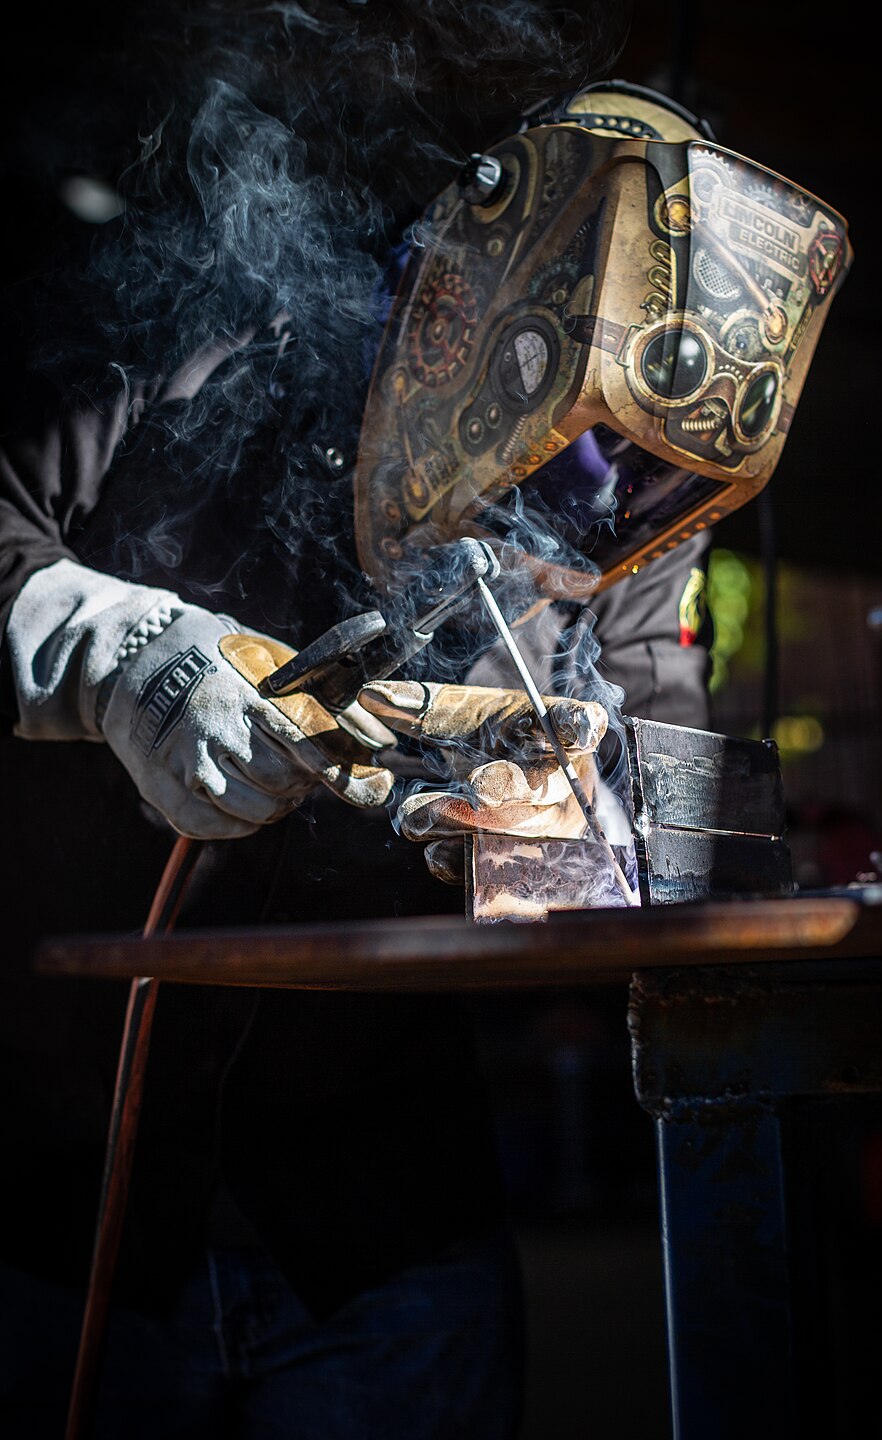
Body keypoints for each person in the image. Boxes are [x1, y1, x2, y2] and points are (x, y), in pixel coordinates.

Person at [0, 6, 717, 1435]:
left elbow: (674, 826)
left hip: (385, 1233)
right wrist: (121, 655)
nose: (571, 488)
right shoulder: (199, 318)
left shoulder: (632, 491)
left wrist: (589, 826)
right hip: (59, 1199)